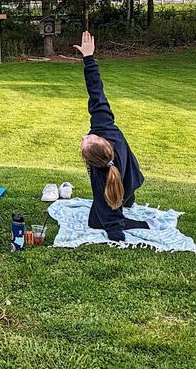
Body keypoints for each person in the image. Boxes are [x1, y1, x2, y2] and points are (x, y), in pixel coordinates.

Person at [73, 31, 156, 242]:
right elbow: (96, 91)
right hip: (131, 177)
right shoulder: (104, 126)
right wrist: (88, 58)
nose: (84, 136)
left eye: (84, 141)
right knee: (118, 195)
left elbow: (107, 211)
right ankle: (126, 199)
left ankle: (131, 213)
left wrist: (115, 231)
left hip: (124, 181)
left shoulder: (101, 174)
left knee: (96, 219)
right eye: (88, 138)